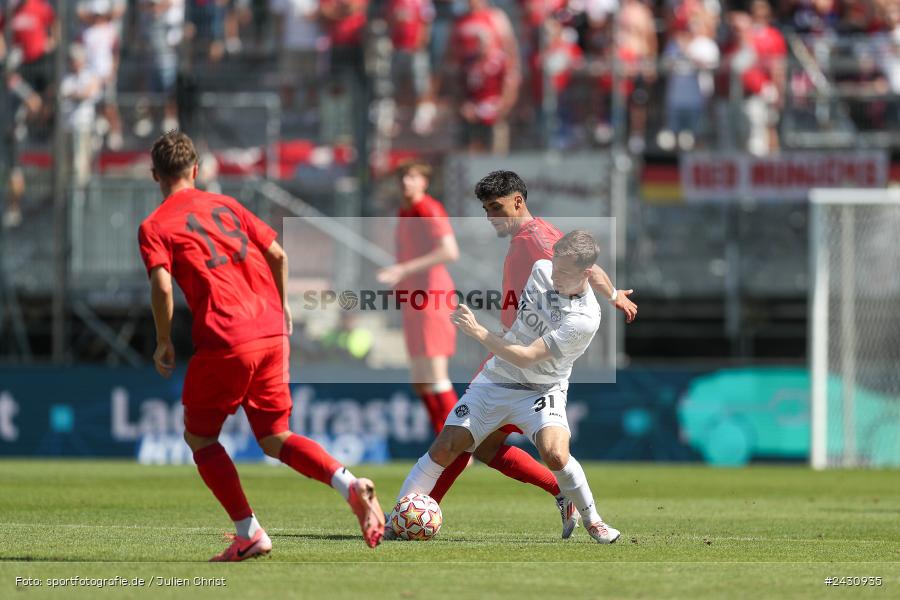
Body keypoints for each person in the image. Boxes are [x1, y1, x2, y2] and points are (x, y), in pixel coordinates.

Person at [137, 131, 385, 561]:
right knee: (275, 437)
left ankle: (248, 532)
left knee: (200, 437)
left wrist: (162, 339)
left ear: (155, 175)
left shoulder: (155, 225)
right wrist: (284, 307)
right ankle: (348, 483)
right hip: (272, 329)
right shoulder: (228, 205)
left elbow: (162, 285)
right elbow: (279, 254)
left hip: (226, 336)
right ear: (197, 171)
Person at [398, 170, 637, 539]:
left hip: (526, 360)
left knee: (463, 445)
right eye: (485, 209)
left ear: (518, 202)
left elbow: (586, 268)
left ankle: (410, 516)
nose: (491, 216)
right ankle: (561, 491)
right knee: (485, 449)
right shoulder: (532, 238)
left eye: (496, 207)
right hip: (512, 354)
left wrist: (613, 293)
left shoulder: (536, 238)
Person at [377, 162, 460, 434]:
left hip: (432, 297)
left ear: (425, 182)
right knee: (420, 379)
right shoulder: (406, 212)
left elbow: (449, 251)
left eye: (413, 176)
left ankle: (460, 443)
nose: (406, 182)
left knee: (436, 374)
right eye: (402, 176)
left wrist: (403, 269)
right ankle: (443, 441)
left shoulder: (428, 209)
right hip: (414, 300)